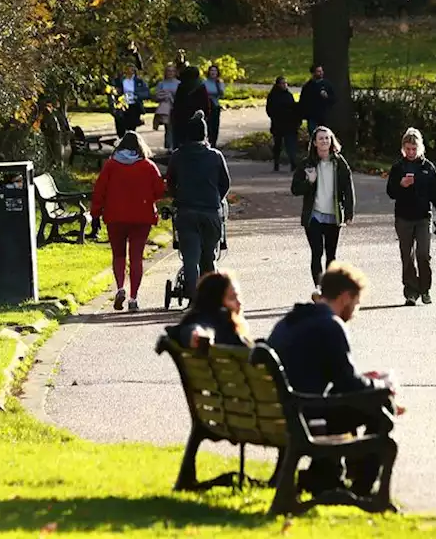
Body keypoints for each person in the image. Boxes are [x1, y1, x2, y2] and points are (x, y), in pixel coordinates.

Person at [266, 262, 396, 496]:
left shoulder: (290, 320)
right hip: (305, 413)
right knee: (382, 404)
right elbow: (349, 385)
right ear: (346, 297)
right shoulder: (330, 325)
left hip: (281, 410)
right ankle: (363, 488)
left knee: (360, 400)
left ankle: (324, 475)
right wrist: (382, 387)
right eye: (357, 303)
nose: (355, 311)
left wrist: (362, 379)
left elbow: (333, 375)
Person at [91, 131, 167, 311]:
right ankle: (133, 297)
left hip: (115, 217)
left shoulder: (110, 165)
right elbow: (159, 191)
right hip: (141, 217)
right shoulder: (148, 166)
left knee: (118, 255)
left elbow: (99, 191)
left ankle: (120, 288)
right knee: (136, 258)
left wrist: (95, 214)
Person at [165, 110, 231, 303]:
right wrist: (217, 198)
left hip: (186, 211)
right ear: (205, 134)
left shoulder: (178, 156)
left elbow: (170, 181)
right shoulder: (215, 156)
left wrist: (178, 196)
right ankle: (212, 299)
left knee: (190, 258)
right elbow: (225, 183)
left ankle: (193, 298)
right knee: (209, 256)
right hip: (210, 211)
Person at [385, 128, 436, 306]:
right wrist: (401, 184)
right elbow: (390, 192)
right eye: (408, 149)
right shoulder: (398, 167)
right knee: (407, 255)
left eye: (414, 149)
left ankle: (425, 289)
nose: (411, 153)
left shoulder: (428, 168)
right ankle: (411, 291)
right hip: (403, 217)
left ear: (420, 148)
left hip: (423, 217)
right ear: (403, 148)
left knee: (423, 254)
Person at [291, 126, 354, 288]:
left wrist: (349, 211)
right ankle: (318, 289)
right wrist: (309, 182)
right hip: (314, 216)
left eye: (327, 138)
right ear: (315, 143)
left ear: (331, 141)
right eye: (321, 139)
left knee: (331, 255)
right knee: (317, 253)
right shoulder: (307, 164)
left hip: (333, 215)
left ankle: (329, 288)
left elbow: (348, 187)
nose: (325, 141)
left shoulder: (339, 163)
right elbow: (295, 189)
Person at [166, 271, 251, 348]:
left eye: (238, 296)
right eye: (232, 298)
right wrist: (198, 333)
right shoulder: (223, 323)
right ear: (216, 300)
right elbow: (204, 324)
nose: (239, 302)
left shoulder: (193, 316)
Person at [171, 65, 212, 150]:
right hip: (197, 119)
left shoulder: (182, 87)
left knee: (182, 143)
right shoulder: (200, 86)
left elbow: (177, 105)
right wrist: (205, 117)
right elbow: (206, 105)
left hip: (182, 120)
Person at [266, 76, 301, 172]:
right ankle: (276, 163)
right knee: (278, 144)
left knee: (290, 144)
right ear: (278, 84)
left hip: (289, 124)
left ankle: (293, 162)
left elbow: (293, 108)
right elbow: (269, 110)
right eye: (283, 83)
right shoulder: (273, 96)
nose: (285, 85)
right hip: (278, 123)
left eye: (286, 83)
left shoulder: (288, 95)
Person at [111, 62, 150, 137]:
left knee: (131, 128)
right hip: (122, 106)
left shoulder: (139, 81)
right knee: (121, 127)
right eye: (127, 69)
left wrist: (137, 96)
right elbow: (113, 91)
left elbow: (146, 93)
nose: (129, 71)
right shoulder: (119, 81)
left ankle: (130, 144)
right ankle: (121, 143)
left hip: (134, 106)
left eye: (131, 69)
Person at [299, 64, 335, 138]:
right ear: (313, 73)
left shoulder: (327, 84)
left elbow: (334, 99)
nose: (321, 73)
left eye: (321, 71)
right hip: (312, 116)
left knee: (325, 136)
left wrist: (327, 97)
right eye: (318, 71)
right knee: (313, 136)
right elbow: (303, 102)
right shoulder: (308, 86)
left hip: (324, 115)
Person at [154, 63, 180, 150]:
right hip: (166, 109)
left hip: (176, 108)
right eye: (169, 71)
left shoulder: (179, 83)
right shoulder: (161, 84)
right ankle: (169, 146)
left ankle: (174, 146)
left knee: (176, 128)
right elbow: (156, 96)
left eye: (172, 71)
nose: (170, 73)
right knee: (168, 127)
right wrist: (165, 96)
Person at [204, 63, 226, 148]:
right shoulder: (205, 82)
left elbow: (222, 94)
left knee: (215, 125)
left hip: (215, 106)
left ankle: (214, 142)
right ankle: (207, 141)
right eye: (211, 71)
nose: (213, 72)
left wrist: (218, 86)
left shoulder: (219, 83)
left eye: (215, 71)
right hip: (207, 106)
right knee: (207, 124)